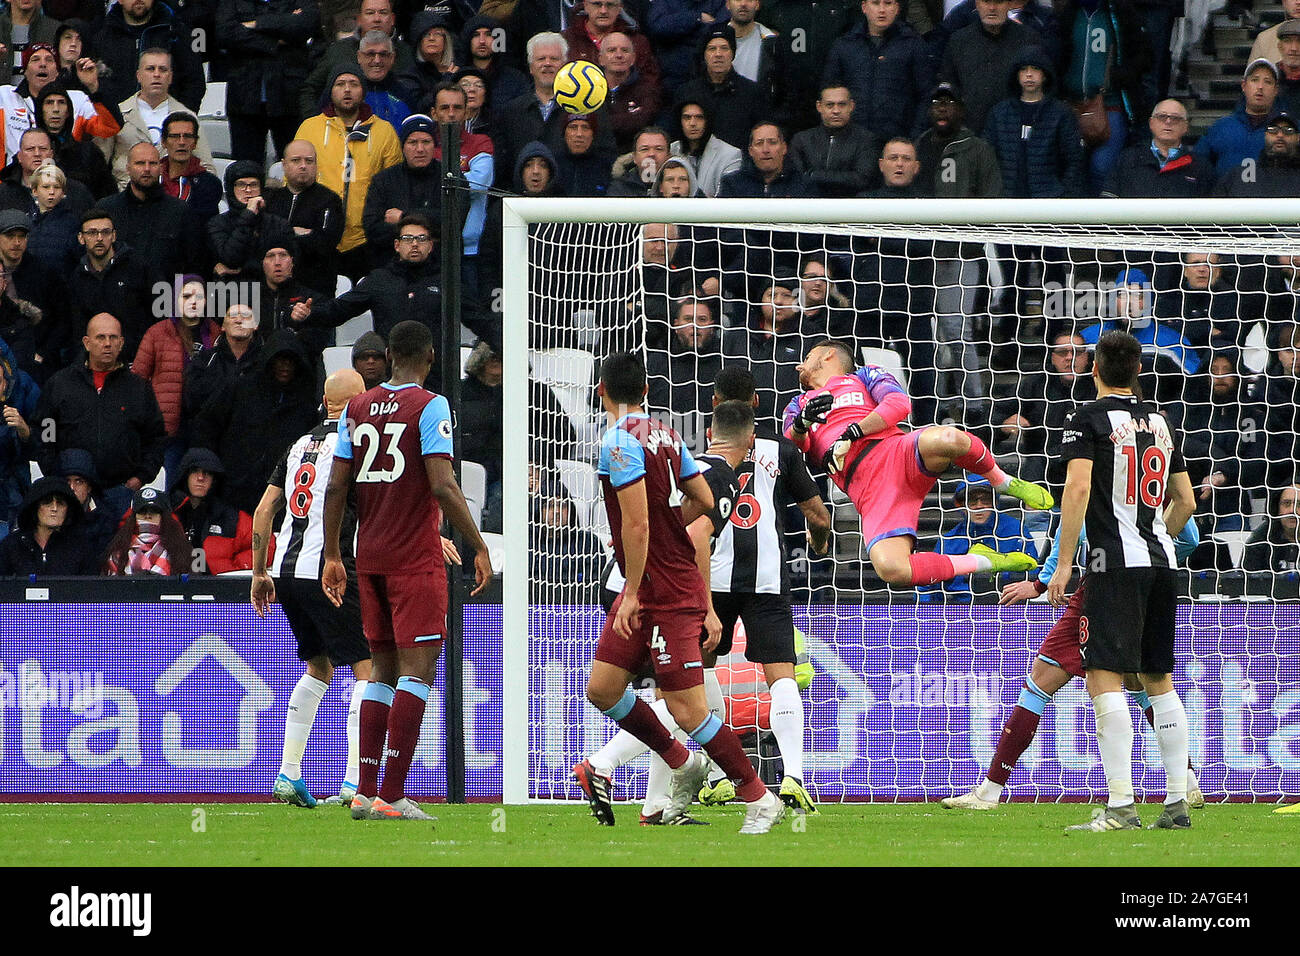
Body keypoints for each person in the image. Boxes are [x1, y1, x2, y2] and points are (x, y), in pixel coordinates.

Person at [574, 351, 787, 833]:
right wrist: (673, 529)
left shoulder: (617, 442)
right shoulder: (667, 433)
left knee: (688, 709)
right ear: (647, 391)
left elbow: (636, 522)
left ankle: (759, 798)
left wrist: (630, 590)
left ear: (601, 390)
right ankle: (682, 763)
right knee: (603, 689)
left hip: (662, 592)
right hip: (654, 584)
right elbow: (705, 499)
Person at [320, 320, 493, 821]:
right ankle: (391, 796)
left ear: (390, 355)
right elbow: (442, 484)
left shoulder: (356, 407)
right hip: (415, 559)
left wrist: (334, 554)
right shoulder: (431, 404)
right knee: (417, 673)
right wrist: (477, 544)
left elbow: (335, 488)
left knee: (381, 672)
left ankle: (364, 790)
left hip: (366, 557)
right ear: (432, 357)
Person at [942, 512, 1203, 809]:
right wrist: (1147, 550)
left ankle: (990, 791)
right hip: (1154, 577)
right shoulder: (1158, 472)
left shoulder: (1098, 472)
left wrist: (1043, 582)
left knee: (1044, 683)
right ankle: (1186, 782)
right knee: (1140, 680)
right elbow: (1189, 536)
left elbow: (1075, 519)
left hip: (1106, 582)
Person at [1049, 330, 1197, 831]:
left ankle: (1120, 808)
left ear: (1094, 369)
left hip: (1113, 564)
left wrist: (1065, 563)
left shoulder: (1085, 419)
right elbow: (1187, 502)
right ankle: (1177, 802)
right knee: (1158, 677)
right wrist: (1155, 535)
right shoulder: (1160, 421)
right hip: (1162, 562)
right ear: (1138, 371)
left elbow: (1079, 487)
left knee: (1103, 675)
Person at [784, 340, 1052, 588]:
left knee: (949, 437)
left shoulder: (864, 376)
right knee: (892, 569)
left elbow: (899, 404)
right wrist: (801, 424)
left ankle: (1001, 482)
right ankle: (984, 560)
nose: (799, 365)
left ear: (828, 354)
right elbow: (793, 449)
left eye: (806, 357)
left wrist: (855, 431)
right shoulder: (798, 405)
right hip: (870, 490)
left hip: (898, 452)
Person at [251, 368, 374, 809]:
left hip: (286, 572)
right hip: (331, 569)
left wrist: (258, 572)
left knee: (319, 667)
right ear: (356, 401)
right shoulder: (356, 444)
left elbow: (266, 508)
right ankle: (354, 781)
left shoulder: (298, 444)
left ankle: (288, 773)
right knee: (368, 667)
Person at [35, 313, 166, 493]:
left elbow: (156, 438)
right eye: (100, 337)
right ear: (87, 343)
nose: (107, 343)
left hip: (121, 490)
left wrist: (140, 477)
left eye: (113, 338)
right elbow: (44, 432)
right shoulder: (59, 384)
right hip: (71, 491)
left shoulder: (139, 388)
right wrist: (55, 475)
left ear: (121, 343)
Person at [294, 64, 403, 281]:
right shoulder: (309, 128)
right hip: (318, 237)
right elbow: (294, 178)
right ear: (330, 90)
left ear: (363, 90)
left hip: (365, 240)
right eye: (340, 84)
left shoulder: (384, 131)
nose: (347, 90)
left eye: (353, 84)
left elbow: (393, 184)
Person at [131, 275, 220, 484]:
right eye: (186, 295)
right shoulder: (158, 332)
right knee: (172, 485)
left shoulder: (216, 332)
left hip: (205, 427)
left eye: (199, 296)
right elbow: (137, 381)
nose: (193, 301)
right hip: (169, 429)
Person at [216, 1, 320, 164]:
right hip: (244, 98)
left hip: (288, 98)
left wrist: (256, 24)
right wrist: (273, 41)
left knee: (295, 165)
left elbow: (304, 25)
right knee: (246, 170)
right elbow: (224, 32)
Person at [101, 48, 215, 191]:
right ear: (138, 75)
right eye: (150, 69)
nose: (156, 74)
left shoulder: (187, 117)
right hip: (125, 192)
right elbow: (100, 163)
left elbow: (206, 167)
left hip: (173, 197)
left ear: (170, 77)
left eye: (163, 70)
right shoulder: (117, 114)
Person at [822, 0, 932, 141]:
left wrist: (915, 137)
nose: (882, 10)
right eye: (875, 3)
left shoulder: (913, 44)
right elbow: (829, 92)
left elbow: (926, 95)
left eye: (888, 3)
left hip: (897, 142)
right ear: (864, 7)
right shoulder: (844, 45)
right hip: (852, 141)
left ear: (897, 8)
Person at [100, 141, 205, 285]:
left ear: (161, 168)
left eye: (153, 163)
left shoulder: (180, 211)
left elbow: (194, 263)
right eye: (140, 163)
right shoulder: (107, 209)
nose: (147, 169)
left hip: (165, 298)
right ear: (128, 168)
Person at [938, 0, 1040, 134]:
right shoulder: (958, 41)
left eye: (998, 2)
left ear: (1009, 4)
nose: (992, 8)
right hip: (970, 133)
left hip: (1015, 133)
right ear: (976, 4)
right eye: (986, 1)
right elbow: (948, 86)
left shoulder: (1028, 40)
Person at [263, 141, 346, 299]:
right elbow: (262, 239)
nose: (303, 166)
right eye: (296, 160)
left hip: (314, 289)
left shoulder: (329, 200)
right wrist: (298, 233)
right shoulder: (271, 199)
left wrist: (283, 235)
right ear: (284, 164)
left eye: (309, 161)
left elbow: (325, 244)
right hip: (272, 290)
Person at [93, 0, 206, 112]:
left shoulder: (176, 33)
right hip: (116, 123)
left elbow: (194, 82)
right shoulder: (102, 36)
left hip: (168, 122)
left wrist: (181, 118)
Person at [1102, 99, 1215, 198]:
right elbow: (1108, 203)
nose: (1168, 121)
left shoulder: (1201, 167)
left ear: (1186, 127)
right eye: (1162, 117)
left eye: (1175, 118)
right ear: (1151, 123)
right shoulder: (1127, 159)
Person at [1194, 59, 1281, 180]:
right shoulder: (1221, 127)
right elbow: (1198, 165)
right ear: (1244, 86)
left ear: (1276, 90)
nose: (1260, 87)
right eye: (1255, 80)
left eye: (1268, 82)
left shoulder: (1286, 131)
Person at [790, 85, 880, 198]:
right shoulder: (802, 140)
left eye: (842, 104)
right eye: (830, 105)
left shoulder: (866, 139)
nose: (836, 111)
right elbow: (796, 180)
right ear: (819, 106)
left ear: (851, 106)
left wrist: (814, 174)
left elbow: (861, 179)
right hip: (809, 207)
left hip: (851, 207)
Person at [0, 474, 98, 575]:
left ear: (68, 509)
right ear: (35, 507)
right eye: (47, 503)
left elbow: (90, 588)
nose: (54, 508)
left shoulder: (82, 547)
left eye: (60, 503)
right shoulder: (12, 545)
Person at [102, 484, 193, 574]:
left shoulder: (182, 551)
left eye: (154, 512)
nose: (147, 516)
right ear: (134, 518)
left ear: (164, 517)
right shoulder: (118, 553)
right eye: (142, 512)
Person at [158, 112, 222, 224]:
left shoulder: (209, 184)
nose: (182, 142)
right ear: (163, 142)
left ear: (195, 143)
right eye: (175, 136)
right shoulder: (151, 178)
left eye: (187, 136)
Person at [669, 99, 740, 197]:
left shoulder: (730, 155)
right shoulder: (671, 150)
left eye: (699, 117)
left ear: (708, 121)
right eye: (687, 117)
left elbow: (728, 199)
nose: (692, 123)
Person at [1243, 482, 1300, 573]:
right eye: (1286, 503)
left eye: (1299, 504)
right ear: (1277, 508)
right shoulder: (1260, 539)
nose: (1292, 511)